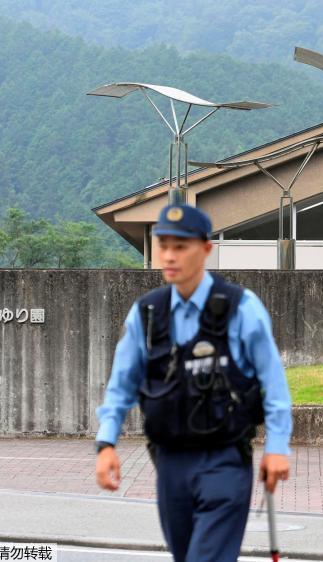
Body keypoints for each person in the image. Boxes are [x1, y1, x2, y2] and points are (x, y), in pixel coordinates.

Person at [94, 203, 292, 561]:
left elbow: (274, 384)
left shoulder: (241, 308)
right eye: (163, 245)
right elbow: (122, 384)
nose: (169, 256)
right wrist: (106, 442)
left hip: (225, 460)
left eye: (180, 246)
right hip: (169, 463)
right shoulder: (147, 314)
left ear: (205, 249)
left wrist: (277, 447)